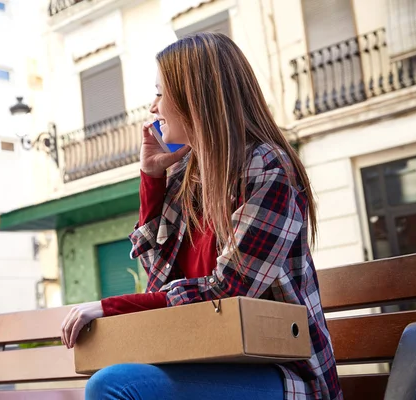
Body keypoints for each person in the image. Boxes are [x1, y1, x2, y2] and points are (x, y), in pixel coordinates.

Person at [60, 32, 343, 400]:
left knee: (114, 386)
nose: (153, 107)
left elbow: (229, 290)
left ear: (194, 97)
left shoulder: (268, 168)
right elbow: (159, 282)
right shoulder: (189, 177)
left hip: (282, 373)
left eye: (161, 93)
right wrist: (152, 179)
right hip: (205, 362)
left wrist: (108, 308)